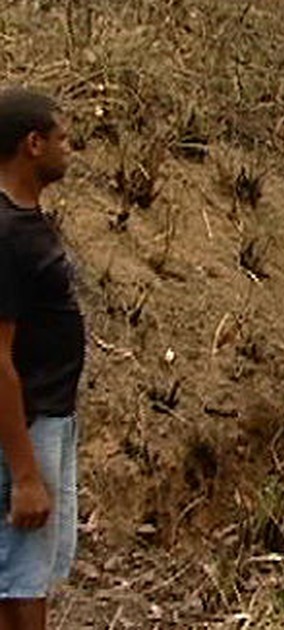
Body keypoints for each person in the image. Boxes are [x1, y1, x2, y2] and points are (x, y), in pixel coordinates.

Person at [0, 88, 83, 630]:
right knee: (19, 577)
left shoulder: (27, 222)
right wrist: (25, 472)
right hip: (23, 428)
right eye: (63, 139)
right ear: (33, 143)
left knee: (26, 572)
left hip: (49, 418)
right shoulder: (5, 233)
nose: (68, 150)